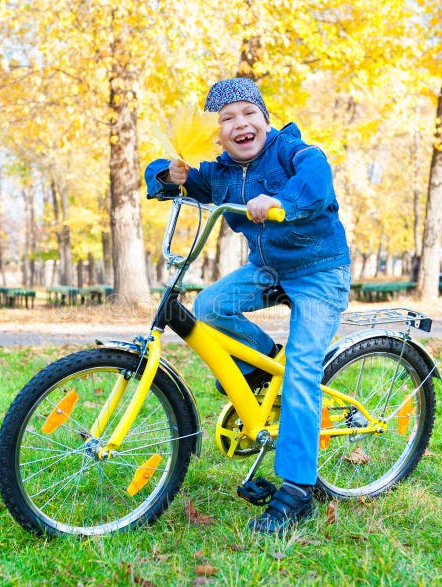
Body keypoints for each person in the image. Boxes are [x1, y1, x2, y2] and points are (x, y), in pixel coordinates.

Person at [145, 78, 351, 534]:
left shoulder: (292, 152)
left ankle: (297, 489)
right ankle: (262, 369)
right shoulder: (217, 174)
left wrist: (280, 199)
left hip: (319, 271)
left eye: (248, 114)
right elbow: (165, 181)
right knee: (212, 305)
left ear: (265, 118)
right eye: (226, 119)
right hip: (267, 268)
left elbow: (315, 180)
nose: (240, 124)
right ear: (215, 134)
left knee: (302, 370)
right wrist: (168, 175)